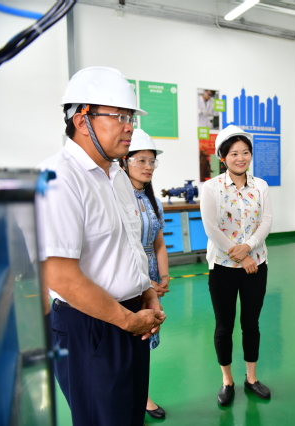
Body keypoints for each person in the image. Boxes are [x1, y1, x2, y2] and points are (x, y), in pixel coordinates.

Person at [37, 66, 166, 426]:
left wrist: (147, 294)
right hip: (90, 326)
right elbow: (61, 276)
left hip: (131, 319)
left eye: (131, 118)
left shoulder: (117, 176)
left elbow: (129, 247)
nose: (130, 127)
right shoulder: (58, 178)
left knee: (129, 416)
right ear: (82, 121)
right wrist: (128, 320)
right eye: (120, 117)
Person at [200, 124, 273, 406]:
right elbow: (211, 228)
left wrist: (250, 247)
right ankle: (227, 380)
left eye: (245, 152)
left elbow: (266, 221)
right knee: (224, 326)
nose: (240, 158)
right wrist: (242, 256)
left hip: (257, 266)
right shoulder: (211, 187)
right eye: (233, 153)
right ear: (223, 157)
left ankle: (251, 378)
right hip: (223, 268)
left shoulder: (261, 186)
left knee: (251, 324)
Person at [120, 129, 170, 419]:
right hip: (128, 276)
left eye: (152, 161)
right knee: (128, 336)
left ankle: (141, 393)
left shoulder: (152, 201)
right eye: (141, 160)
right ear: (124, 162)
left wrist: (163, 277)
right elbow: (122, 247)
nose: (148, 166)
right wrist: (144, 281)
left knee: (145, 336)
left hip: (150, 278)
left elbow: (158, 243)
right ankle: (134, 397)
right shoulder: (118, 198)